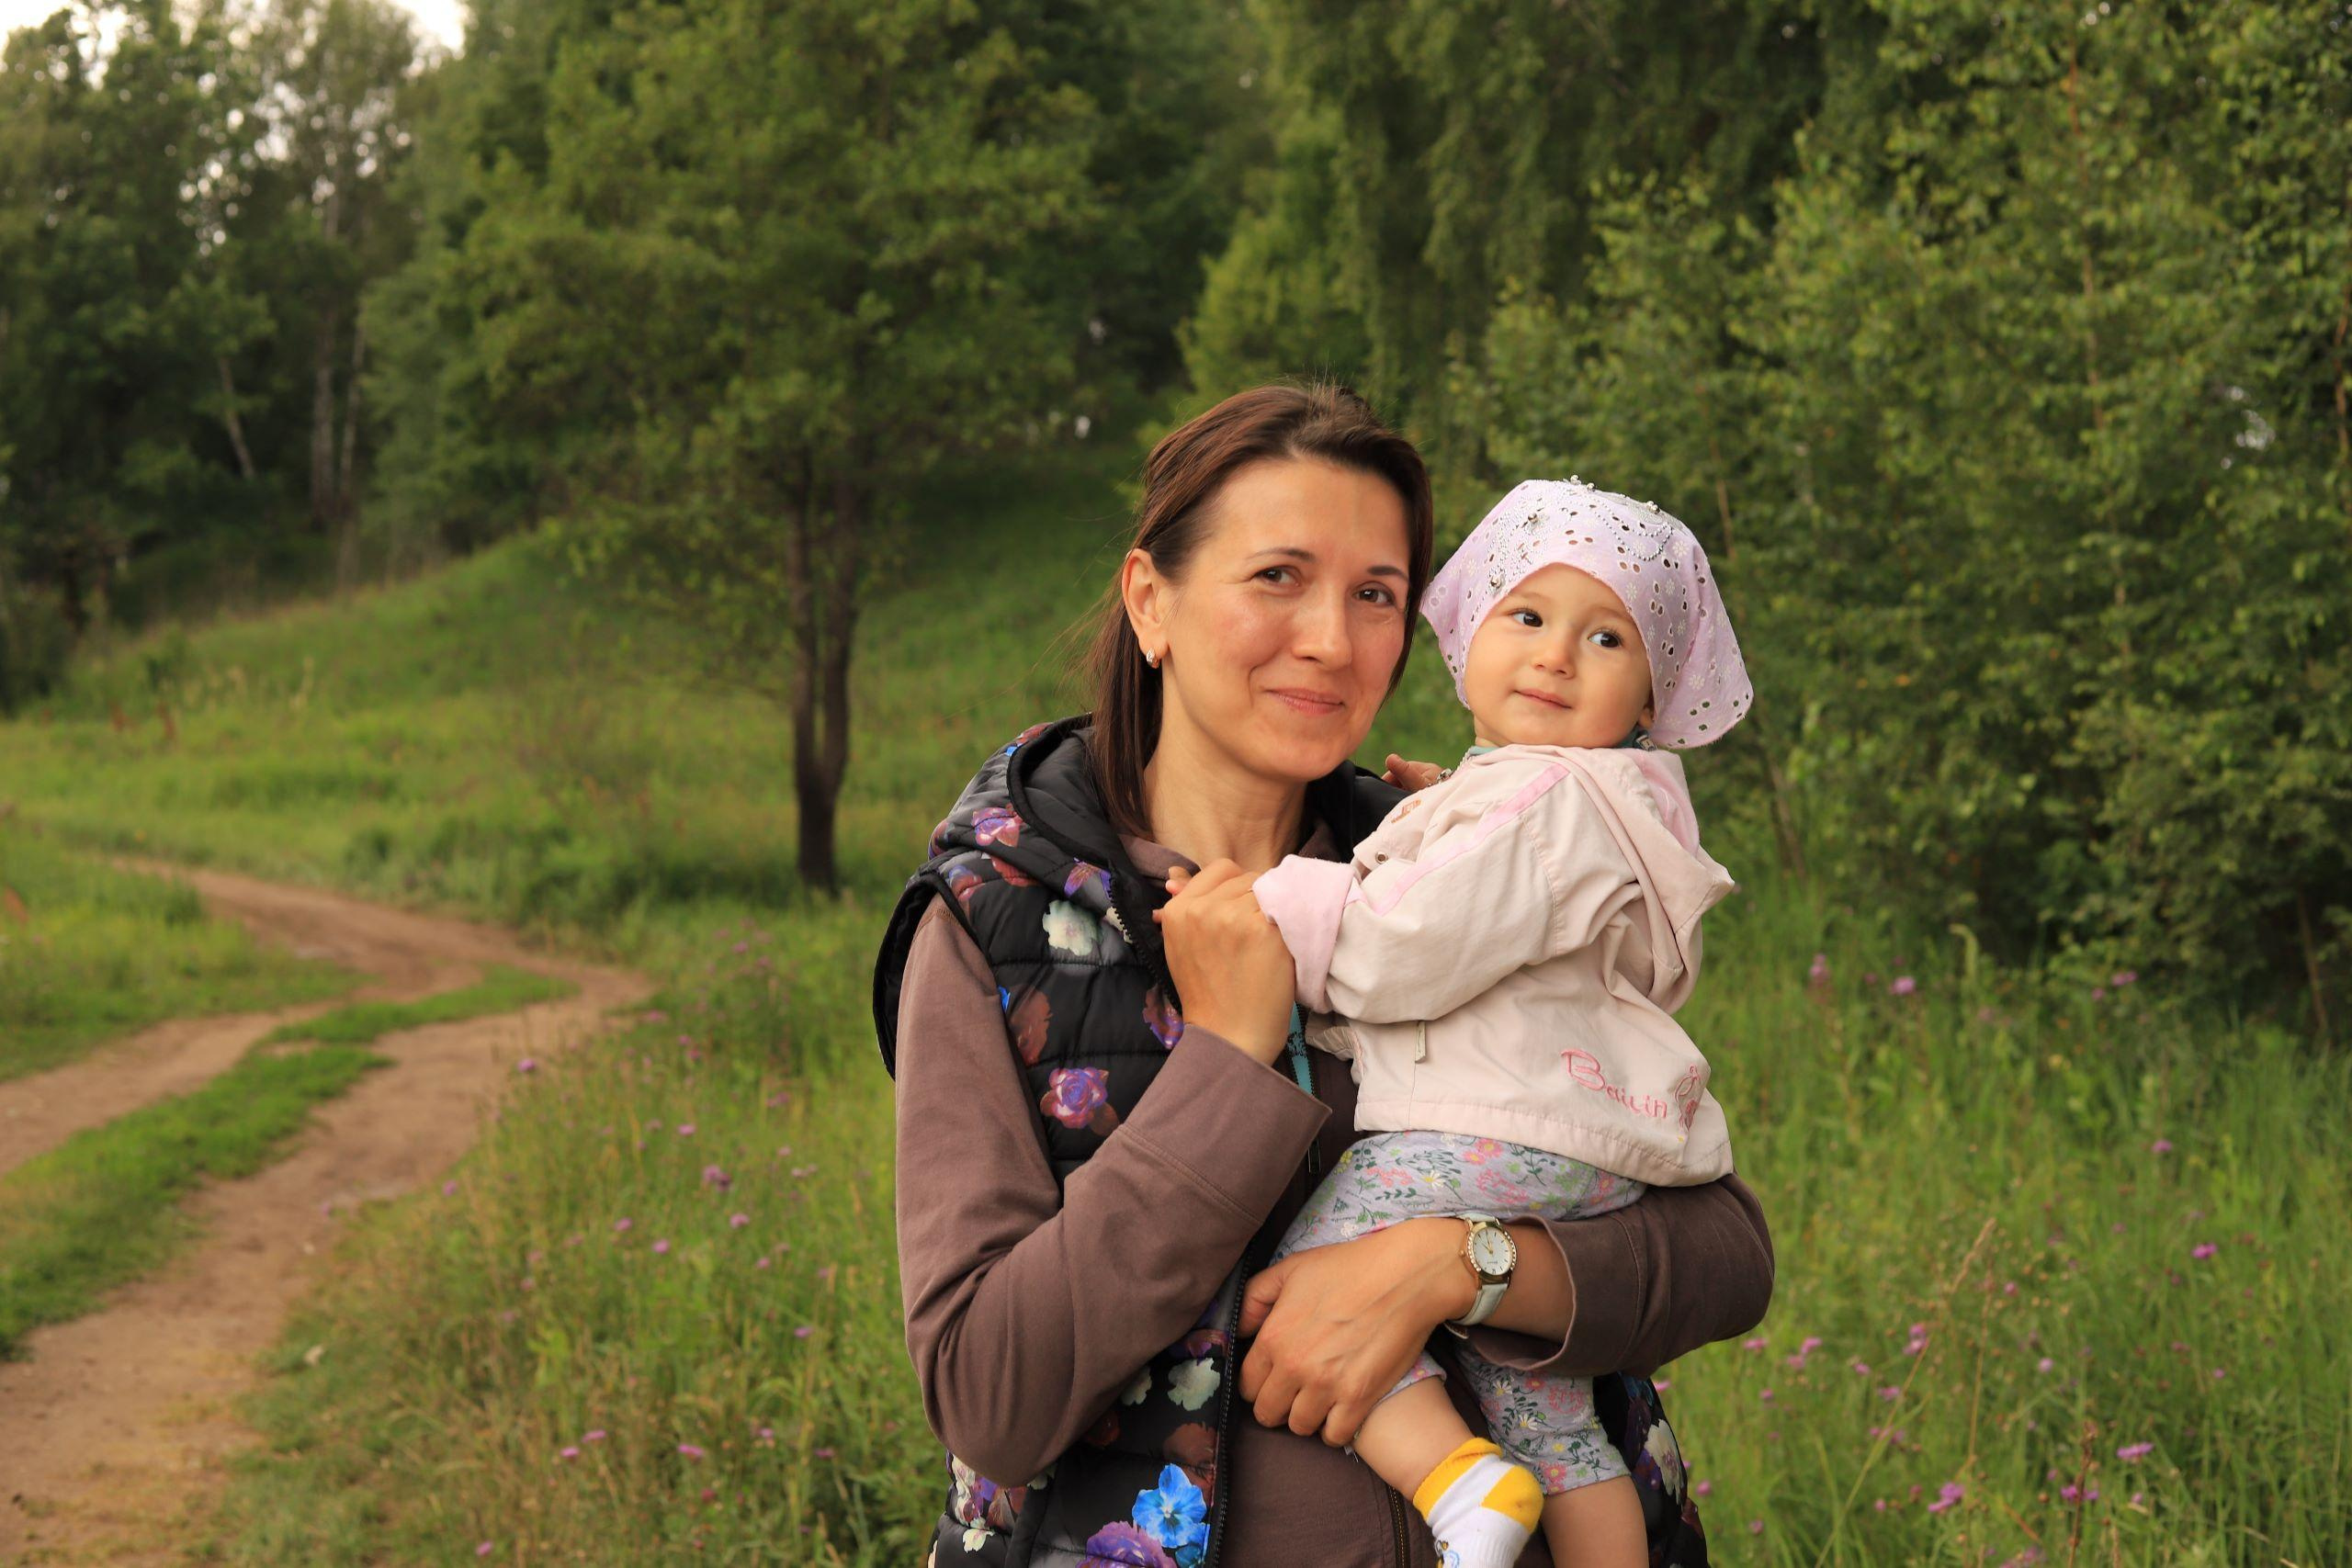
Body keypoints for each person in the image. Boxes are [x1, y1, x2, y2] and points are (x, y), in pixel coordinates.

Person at [871, 385, 1773, 1568]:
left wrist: (1457, 1267)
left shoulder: (1462, 866)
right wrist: (1229, 1064)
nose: (1331, 641)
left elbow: (1724, 1255)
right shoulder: (996, 922)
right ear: (1153, 601)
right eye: (1276, 579)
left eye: (1375, 595)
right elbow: (991, 1396)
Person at [1237, 479, 1751, 1568]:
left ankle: (1459, 1485)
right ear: (1469, 637)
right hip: (1585, 1146)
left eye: (1604, 636)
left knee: (1308, 1279)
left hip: (1493, 1135)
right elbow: (1510, 882)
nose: (1556, 657)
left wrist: (1274, 900)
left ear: (1650, 691)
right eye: (1527, 617)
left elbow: (1398, 952)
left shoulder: (1540, 807)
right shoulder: (1587, 796)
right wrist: (1437, 809)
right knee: (1550, 1412)